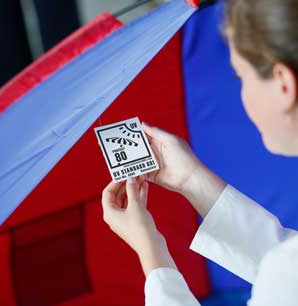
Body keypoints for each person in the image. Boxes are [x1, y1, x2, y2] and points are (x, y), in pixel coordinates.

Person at [101, 0, 298, 305]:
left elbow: (287, 271)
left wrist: (150, 250)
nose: (242, 93)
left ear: (283, 84)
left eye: (240, 76)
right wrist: (190, 179)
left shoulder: (284, 272)